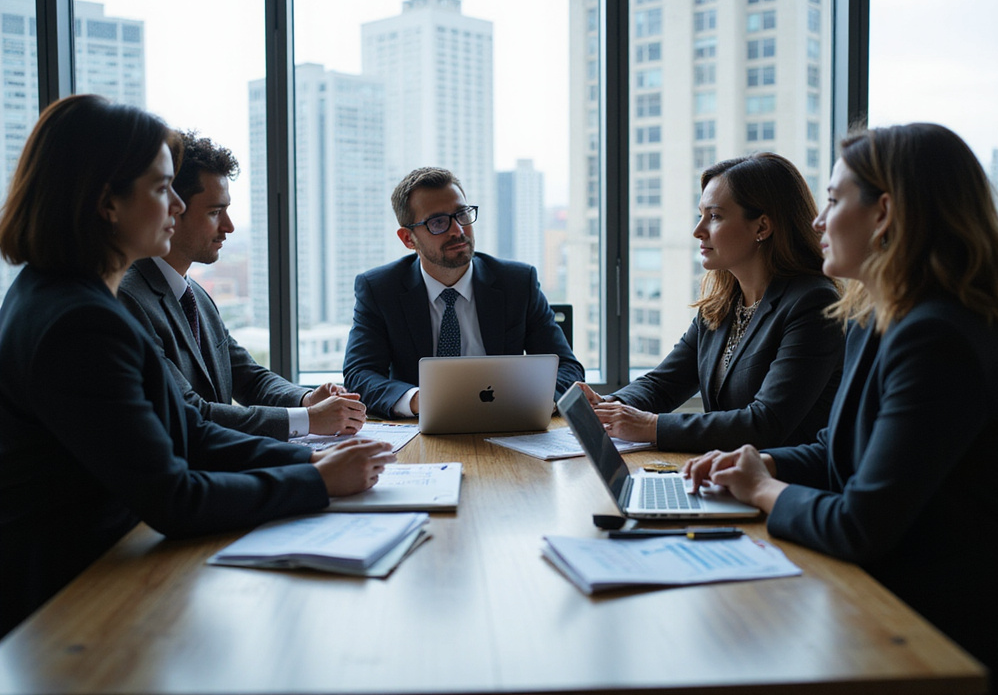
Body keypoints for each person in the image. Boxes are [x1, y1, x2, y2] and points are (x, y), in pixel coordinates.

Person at [0, 95, 395, 638]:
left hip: (106, 571)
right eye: (163, 189)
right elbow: (173, 498)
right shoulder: (80, 322)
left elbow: (187, 431)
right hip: (74, 602)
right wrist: (315, 480)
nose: (177, 207)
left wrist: (315, 459)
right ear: (107, 202)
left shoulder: (71, 297)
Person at [685, 124, 998, 694]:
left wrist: (761, 490)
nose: (818, 221)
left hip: (945, 632)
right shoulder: (875, 318)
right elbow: (838, 447)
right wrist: (766, 463)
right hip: (885, 595)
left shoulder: (939, 338)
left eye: (835, 201)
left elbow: (860, 524)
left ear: (883, 213)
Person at [577, 152, 844, 453]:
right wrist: (608, 405)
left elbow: (766, 423)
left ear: (762, 227)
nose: (698, 230)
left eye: (714, 216)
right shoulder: (721, 304)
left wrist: (650, 426)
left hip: (781, 478)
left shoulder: (814, 303)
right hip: (726, 472)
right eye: (701, 214)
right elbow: (664, 383)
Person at [118, 131, 366, 440]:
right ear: (173, 210)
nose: (229, 226)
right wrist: (309, 420)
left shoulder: (195, 295)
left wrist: (306, 399)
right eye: (214, 212)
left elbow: (248, 377)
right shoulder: (129, 300)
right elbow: (190, 412)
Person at [343, 166, 584, 418]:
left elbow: (568, 368)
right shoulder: (380, 289)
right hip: (420, 430)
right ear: (408, 239)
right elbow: (359, 374)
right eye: (438, 222)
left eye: (462, 214)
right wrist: (417, 400)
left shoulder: (517, 283)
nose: (457, 230)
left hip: (509, 422)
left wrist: (526, 399)